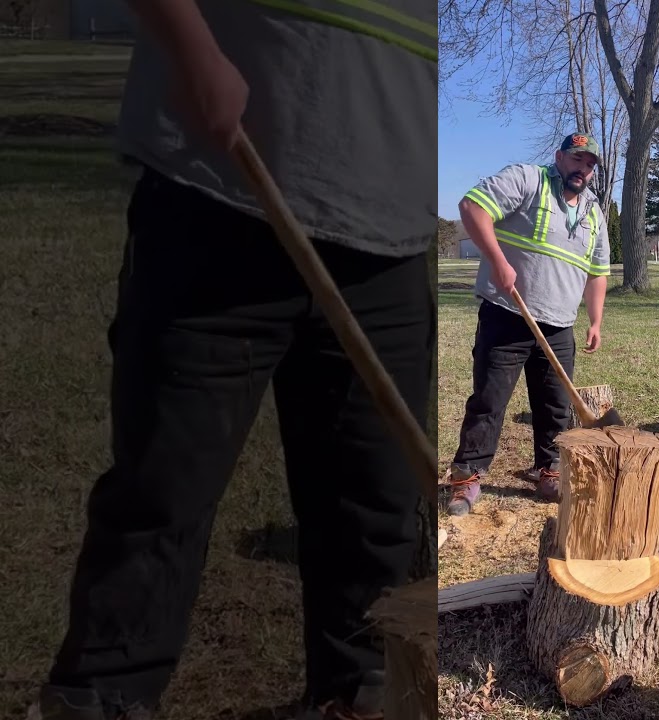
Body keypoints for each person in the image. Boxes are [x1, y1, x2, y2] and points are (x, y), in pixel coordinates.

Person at [31, 1, 436, 719]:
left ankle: (356, 699)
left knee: (376, 513)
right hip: (219, 196)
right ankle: (101, 699)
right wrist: (190, 47)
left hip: (390, 245)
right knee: (161, 495)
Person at [445, 133, 611, 517]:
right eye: (576, 159)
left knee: (555, 405)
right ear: (559, 157)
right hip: (507, 314)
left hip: (560, 326)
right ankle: (466, 477)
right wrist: (499, 261)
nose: (582, 169)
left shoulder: (593, 212)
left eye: (589, 164)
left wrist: (596, 320)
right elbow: (472, 207)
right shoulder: (527, 179)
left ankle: (550, 469)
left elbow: (597, 271)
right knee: (489, 400)